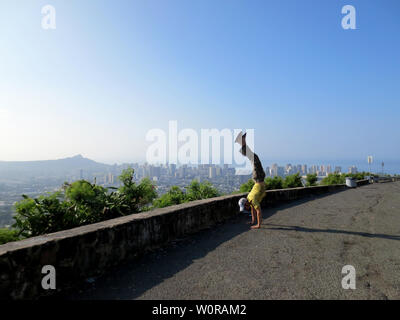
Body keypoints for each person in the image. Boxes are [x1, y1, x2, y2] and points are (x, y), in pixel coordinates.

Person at [236, 131, 266, 229]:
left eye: (245, 207)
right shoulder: (250, 199)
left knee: (253, 157)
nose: (246, 209)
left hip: (258, 178)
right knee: (253, 157)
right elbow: (253, 210)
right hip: (258, 178)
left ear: (246, 204)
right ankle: (242, 141)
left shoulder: (252, 200)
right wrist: (253, 221)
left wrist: (258, 225)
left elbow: (258, 211)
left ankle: (242, 141)